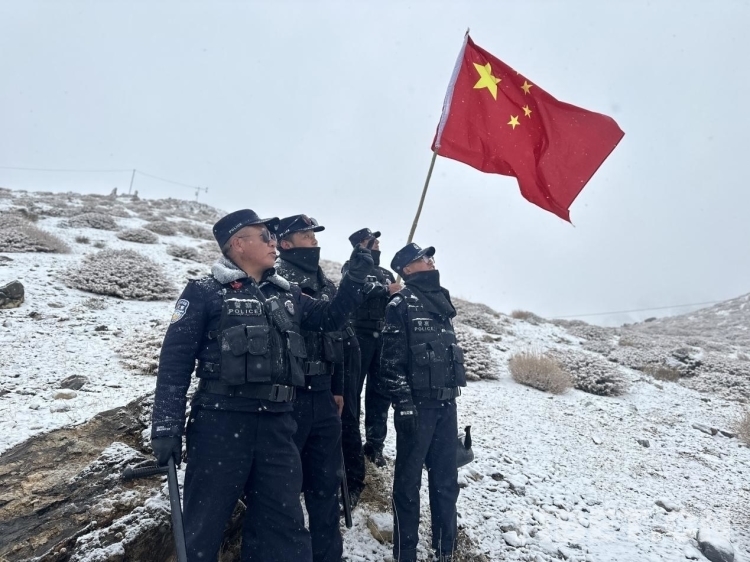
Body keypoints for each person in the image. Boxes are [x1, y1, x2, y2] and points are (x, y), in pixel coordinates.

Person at [150, 209, 373, 562]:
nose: (273, 243)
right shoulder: (205, 292)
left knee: (283, 528)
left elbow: (330, 317)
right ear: (238, 244)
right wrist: (166, 426)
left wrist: (356, 276)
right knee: (203, 527)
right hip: (221, 424)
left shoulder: (287, 294)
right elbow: (175, 362)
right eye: (265, 237)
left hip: (278, 425)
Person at [274, 214, 357, 562]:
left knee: (326, 485)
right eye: (305, 235)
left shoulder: (324, 283)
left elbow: (337, 337)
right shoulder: (276, 279)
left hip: (323, 394)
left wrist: (337, 388)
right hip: (289, 394)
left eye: (313, 234)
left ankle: (327, 556)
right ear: (285, 242)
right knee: (282, 489)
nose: (313, 240)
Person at [380, 243, 467, 562]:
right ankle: (405, 553)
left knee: (446, 482)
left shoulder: (442, 301)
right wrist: (403, 404)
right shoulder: (400, 304)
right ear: (406, 269)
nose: (430, 261)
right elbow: (391, 363)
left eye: (430, 257)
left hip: (446, 406)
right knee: (407, 484)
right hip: (416, 408)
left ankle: (445, 551)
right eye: (422, 259)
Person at [341, 229, 399, 502]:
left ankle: (375, 445)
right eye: (372, 241)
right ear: (360, 244)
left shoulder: (387, 273)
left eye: (377, 241)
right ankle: (348, 444)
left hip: (383, 336)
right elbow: (357, 292)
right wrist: (386, 290)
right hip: (358, 336)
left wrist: (396, 293)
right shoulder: (351, 267)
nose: (377, 244)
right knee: (352, 392)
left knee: (380, 393)